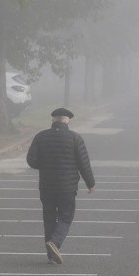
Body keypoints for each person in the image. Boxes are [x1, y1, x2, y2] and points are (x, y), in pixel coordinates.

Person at [26, 108, 96, 264]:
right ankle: (55, 242)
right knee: (66, 216)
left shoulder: (41, 137)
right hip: (67, 188)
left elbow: (31, 160)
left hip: (46, 186)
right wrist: (90, 183)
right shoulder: (75, 138)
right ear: (67, 120)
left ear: (53, 120)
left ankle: (51, 256)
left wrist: (45, 165)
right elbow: (83, 163)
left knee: (49, 218)